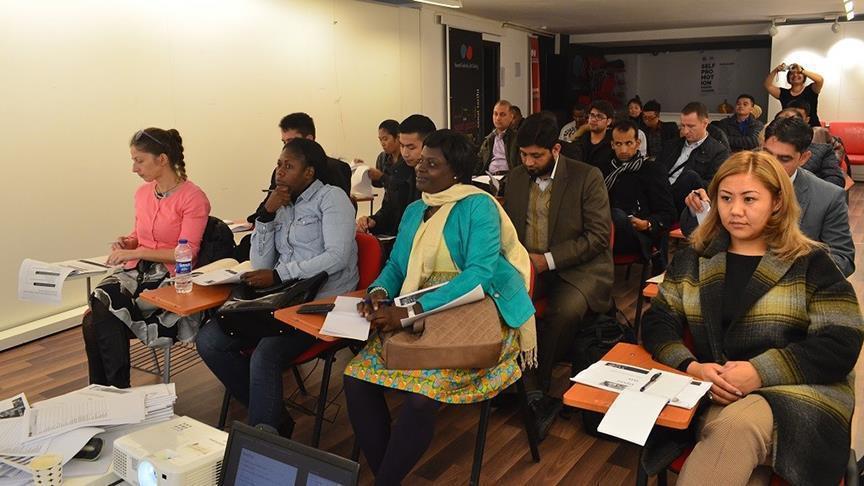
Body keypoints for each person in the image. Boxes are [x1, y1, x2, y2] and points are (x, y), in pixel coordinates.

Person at [641, 150, 863, 486]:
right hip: (722, 389)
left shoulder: (812, 262)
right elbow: (659, 321)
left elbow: (841, 342)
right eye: (726, 198)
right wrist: (693, 367)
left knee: (734, 428)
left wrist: (759, 372)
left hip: (802, 392)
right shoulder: (694, 258)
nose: (735, 210)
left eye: (749, 199)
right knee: (743, 459)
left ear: (777, 202)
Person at [343, 129, 537, 485]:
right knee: (355, 379)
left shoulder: (478, 205)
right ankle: (388, 477)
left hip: (477, 311)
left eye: (432, 164)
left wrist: (410, 311)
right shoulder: (416, 209)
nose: (420, 168)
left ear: (456, 172)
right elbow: (397, 265)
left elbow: (478, 276)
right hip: (418, 309)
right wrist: (378, 292)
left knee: (420, 398)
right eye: (421, 161)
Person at [197, 138, 358, 438]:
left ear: (309, 172)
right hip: (280, 299)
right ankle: (274, 419)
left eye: (289, 166)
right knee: (209, 341)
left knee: (265, 354)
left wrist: (280, 274)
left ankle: (265, 438)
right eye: (278, 164)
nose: (279, 172)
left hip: (320, 304)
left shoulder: (331, 198)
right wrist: (266, 215)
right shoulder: (281, 204)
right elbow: (261, 262)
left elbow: (337, 257)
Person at [504, 113, 613, 438]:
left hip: (579, 268)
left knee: (563, 312)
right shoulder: (517, 177)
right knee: (501, 303)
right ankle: (515, 384)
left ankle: (537, 385)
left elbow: (597, 238)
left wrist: (548, 260)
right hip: (528, 265)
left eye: (536, 155)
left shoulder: (586, 177)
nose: (528, 162)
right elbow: (509, 229)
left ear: (555, 149)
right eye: (523, 154)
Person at [82, 128, 211, 388]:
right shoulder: (142, 194)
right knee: (97, 310)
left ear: (162, 159)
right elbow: (141, 235)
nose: (134, 168)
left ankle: (111, 392)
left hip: (170, 279)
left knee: (96, 316)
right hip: (137, 271)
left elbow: (186, 253)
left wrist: (137, 251)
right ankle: (110, 392)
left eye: (139, 161)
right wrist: (129, 242)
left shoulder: (193, 197)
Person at [682, 116, 854, 277]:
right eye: (768, 154)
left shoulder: (828, 197)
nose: (772, 164)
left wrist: (789, 277)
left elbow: (843, 260)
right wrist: (697, 210)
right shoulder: (735, 182)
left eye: (784, 159)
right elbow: (696, 235)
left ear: (804, 158)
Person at [248, 113, 351, 222]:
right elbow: (260, 213)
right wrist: (268, 208)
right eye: (284, 142)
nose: (287, 147)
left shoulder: (336, 169)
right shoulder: (280, 172)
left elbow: (340, 212)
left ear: (309, 139)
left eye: (291, 142)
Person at [600, 120, 675, 268]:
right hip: (602, 229)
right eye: (619, 144)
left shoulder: (652, 170)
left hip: (637, 234)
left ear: (637, 143)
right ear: (612, 145)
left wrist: (647, 224)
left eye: (628, 143)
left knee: (617, 216)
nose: (623, 149)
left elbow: (668, 213)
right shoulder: (603, 169)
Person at [357, 114, 436, 236]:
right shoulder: (398, 171)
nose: (405, 153)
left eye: (411, 147)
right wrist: (373, 221)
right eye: (402, 146)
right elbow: (389, 209)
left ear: (430, 146)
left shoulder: (440, 179)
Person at [658, 102, 730, 215]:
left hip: (685, 199)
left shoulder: (719, 151)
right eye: (682, 126)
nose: (685, 131)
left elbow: (713, 185)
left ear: (705, 124)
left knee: (690, 176)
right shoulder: (671, 145)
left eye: (691, 126)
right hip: (660, 191)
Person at [774, 109, 844, 187]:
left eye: (792, 124)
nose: (785, 129)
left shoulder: (823, 151)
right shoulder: (765, 148)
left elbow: (836, 180)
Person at [764, 62, 824, 127]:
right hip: (790, 129)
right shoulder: (783, 93)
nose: (795, 75)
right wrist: (776, 70)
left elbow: (820, 80)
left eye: (799, 73)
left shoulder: (811, 90)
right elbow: (768, 85)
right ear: (788, 78)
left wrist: (802, 70)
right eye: (792, 73)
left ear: (804, 77)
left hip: (812, 127)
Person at [475, 99, 521, 175]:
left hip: (509, 177)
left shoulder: (517, 138)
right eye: (495, 114)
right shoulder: (489, 139)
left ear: (511, 117)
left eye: (502, 115)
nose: (498, 118)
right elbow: (479, 163)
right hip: (489, 177)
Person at [573, 100, 615, 168]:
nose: (593, 119)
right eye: (592, 115)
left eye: (599, 116)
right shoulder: (581, 140)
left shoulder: (613, 143)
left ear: (608, 121)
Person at [368, 119, 401, 188]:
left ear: (397, 138)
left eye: (385, 139)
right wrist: (366, 172)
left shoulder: (407, 158)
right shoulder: (382, 157)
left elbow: (402, 186)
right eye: (380, 140)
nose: (382, 143)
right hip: (388, 195)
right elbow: (379, 184)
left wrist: (381, 176)